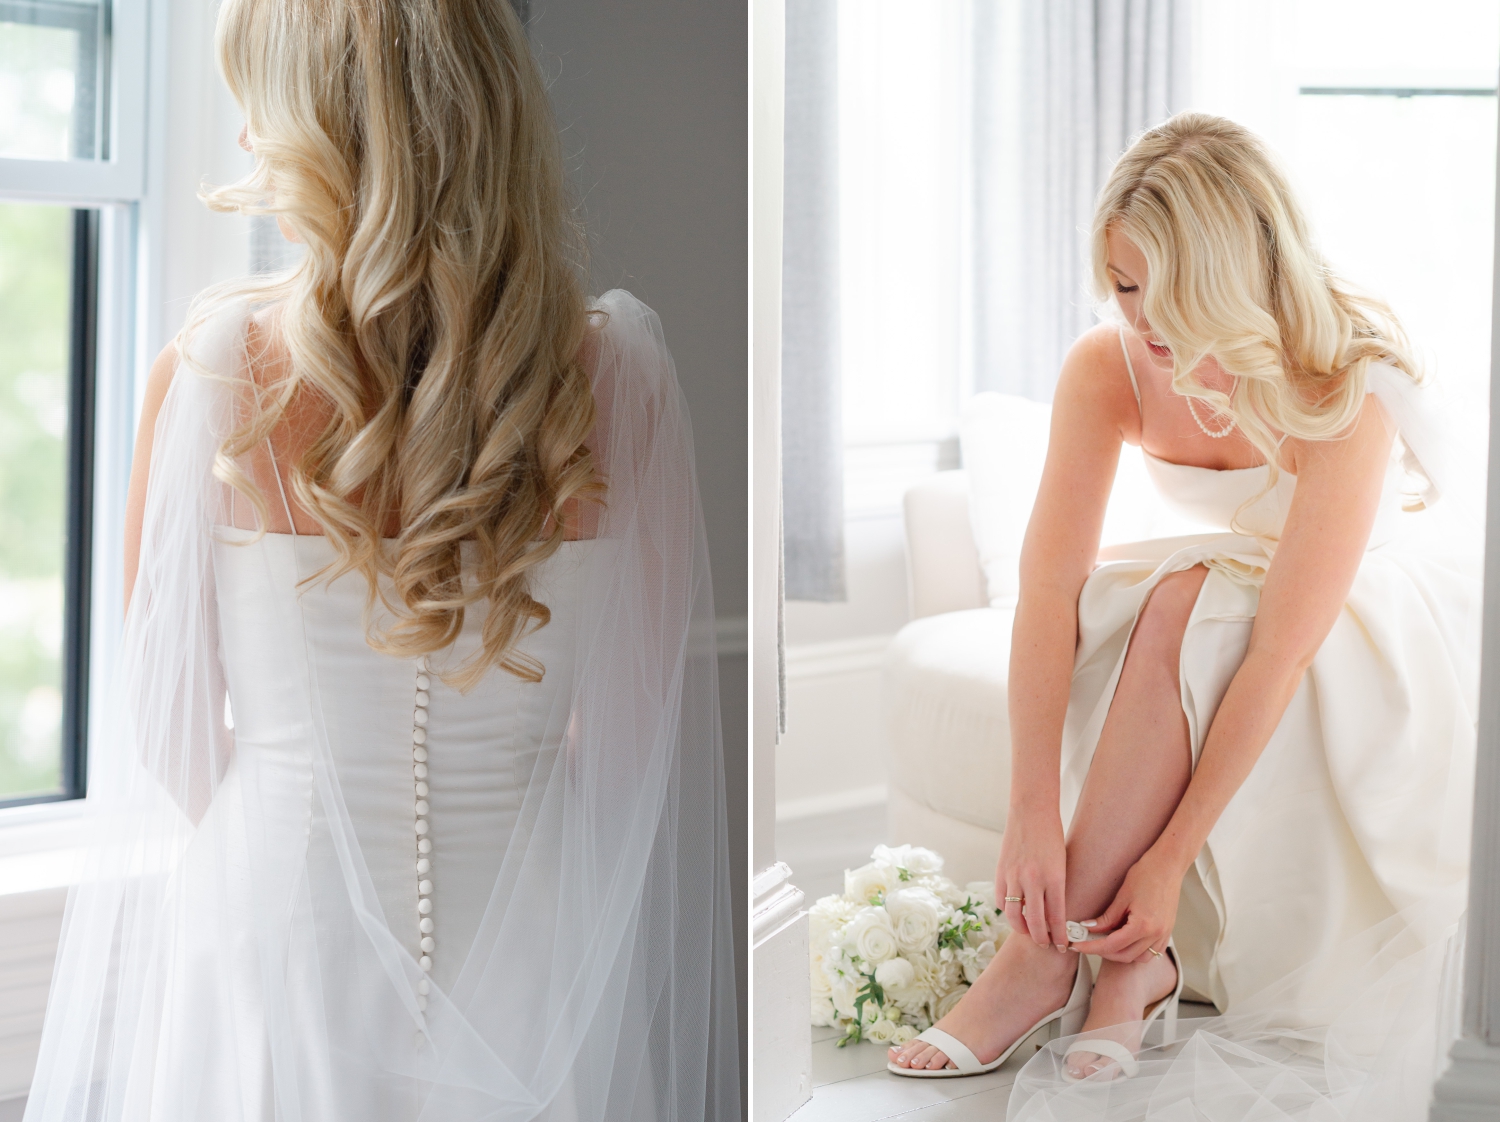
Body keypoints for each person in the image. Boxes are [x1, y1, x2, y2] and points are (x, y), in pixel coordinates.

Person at [23, 1, 737, 1119]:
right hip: (536, 945)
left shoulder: (217, 374)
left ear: (316, 135)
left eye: (258, 112)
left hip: (274, 936)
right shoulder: (622, 380)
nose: (248, 143)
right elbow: (631, 753)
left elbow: (167, 732)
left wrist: (299, 794)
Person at [888, 112, 1476, 1118]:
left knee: (1184, 598)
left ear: (1237, 276)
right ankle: (1090, 965)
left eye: (1172, 290)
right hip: (1221, 596)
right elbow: (1049, 587)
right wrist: (1031, 806)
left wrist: (1165, 866)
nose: (1146, 321)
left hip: (1355, 619)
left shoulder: (1344, 378)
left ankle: (1063, 958)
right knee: (1166, 599)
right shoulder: (1109, 366)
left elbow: (1284, 646)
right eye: (1122, 285)